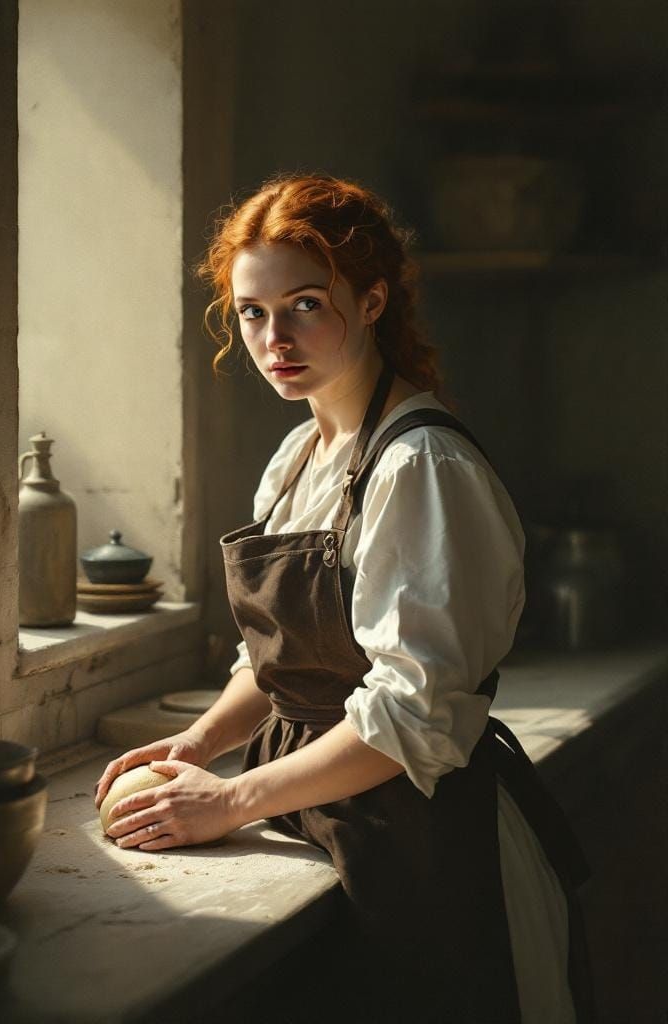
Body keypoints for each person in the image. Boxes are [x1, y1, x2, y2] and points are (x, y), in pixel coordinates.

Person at [95, 174, 593, 1023]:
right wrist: (203, 741)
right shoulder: (299, 456)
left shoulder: (422, 469)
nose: (273, 337)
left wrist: (231, 800)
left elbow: (411, 713)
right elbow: (283, 655)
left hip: (423, 848)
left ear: (371, 301)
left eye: (304, 305)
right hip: (318, 817)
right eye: (251, 311)